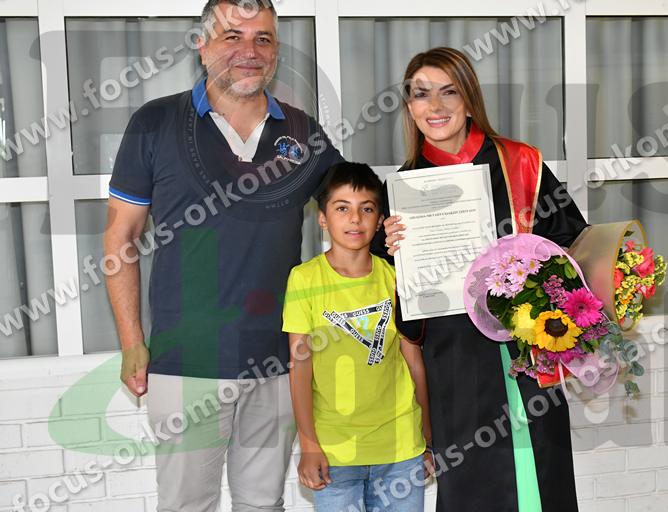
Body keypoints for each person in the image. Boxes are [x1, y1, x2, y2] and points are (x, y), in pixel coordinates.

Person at [103, 1, 343, 510]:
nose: (249, 51)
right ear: (201, 44)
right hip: (186, 361)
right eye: (232, 36)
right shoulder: (155, 122)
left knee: (263, 503)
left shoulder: (302, 132)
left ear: (276, 50)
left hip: (278, 360)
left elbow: (356, 210)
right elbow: (121, 237)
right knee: (187, 504)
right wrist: (131, 341)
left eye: (263, 39)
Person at [373, 47, 588, 512]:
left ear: (469, 100)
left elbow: (571, 244)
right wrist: (389, 250)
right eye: (421, 95)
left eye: (449, 92)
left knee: (540, 475)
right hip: (455, 361)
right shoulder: (405, 188)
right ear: (409, 107)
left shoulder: (521, 163)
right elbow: (402, 310)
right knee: (473, 484)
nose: (435, 106)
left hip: (526, 351)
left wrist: (534, 286)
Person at [283, 162, 431, 512]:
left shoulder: (396, 277)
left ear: (379, 221)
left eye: (366, 209)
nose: (355, 219)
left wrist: (427, 437)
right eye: (342, 208)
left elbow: (414, 361)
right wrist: (309, 444)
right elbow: (300, 367)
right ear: (322, 218)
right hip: (335, 451)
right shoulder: (304, 279)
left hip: (401, 448)